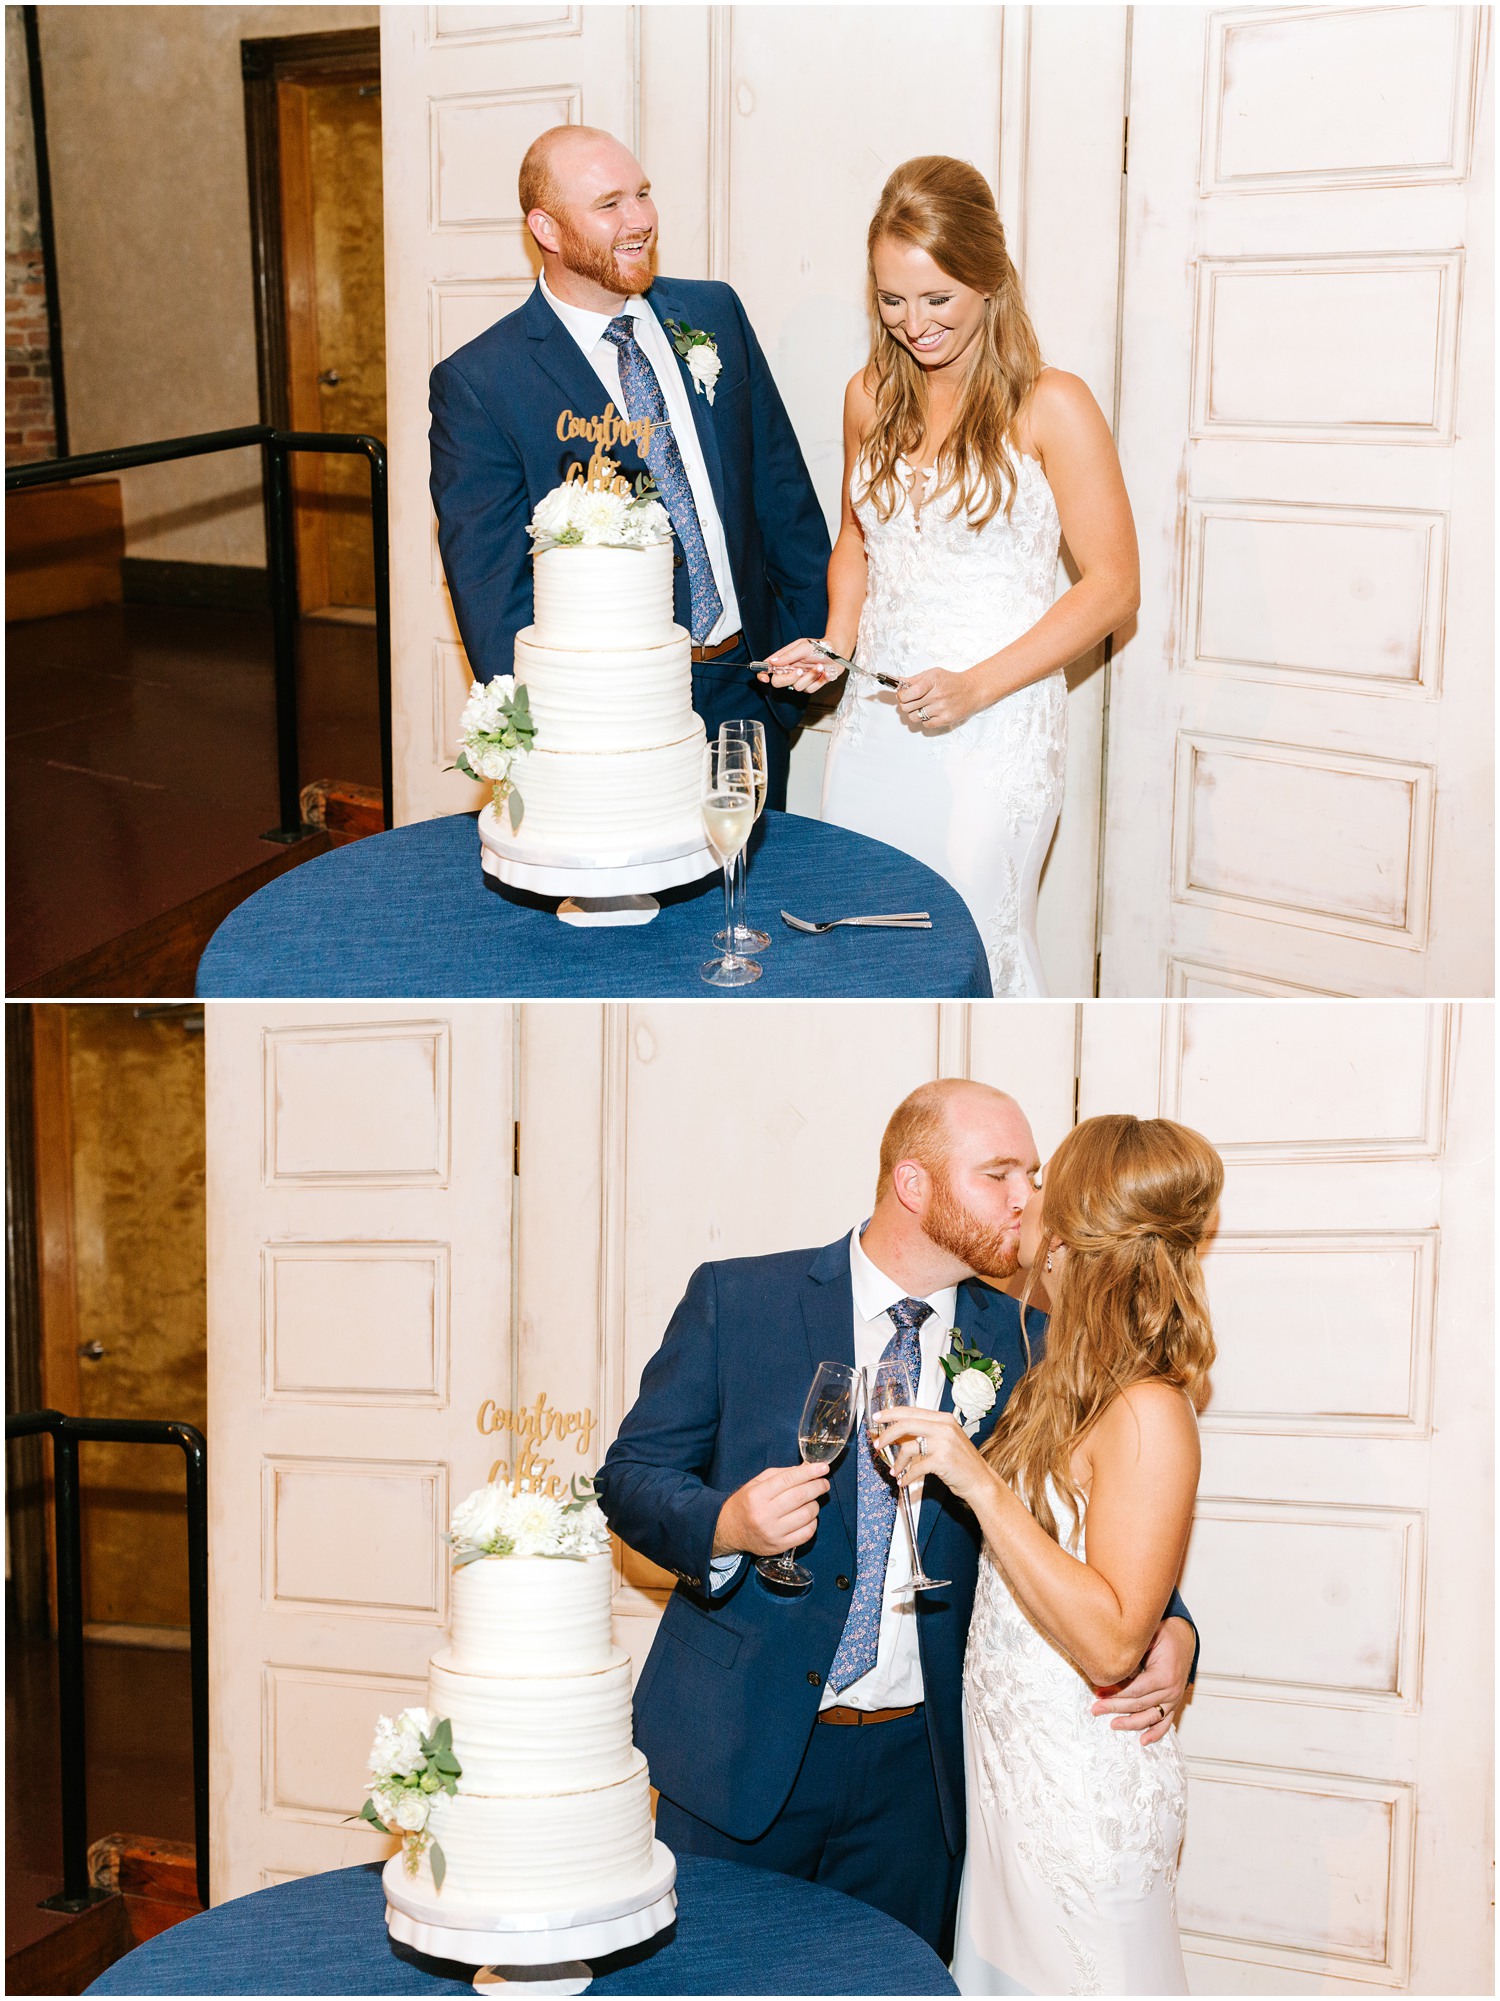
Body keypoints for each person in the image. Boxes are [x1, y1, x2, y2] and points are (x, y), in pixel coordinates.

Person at [594, 1079, 1197, 1956]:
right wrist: (725, 1522)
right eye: (1000, 1174)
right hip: (739, 1753)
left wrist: (1172, 1628)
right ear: (914, 1185)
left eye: (1032, 1173)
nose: (1029, 1199)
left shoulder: (1034, 1339)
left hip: (922, 1779)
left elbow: (1104, 1511)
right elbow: (630, 1475)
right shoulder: (741, 1299)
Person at [763, 156, 1140, 993]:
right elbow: (859, 542)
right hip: (876, 722)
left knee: (974, 938)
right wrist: (833, 644)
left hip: (997, 724)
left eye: (937, 299)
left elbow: (1114, 586)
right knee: (860, 935)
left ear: (989, 278)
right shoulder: (869, 395)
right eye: (892, 301)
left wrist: (976, 686)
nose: (914, 324)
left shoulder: (1055, 405)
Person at [876, 1112, 1221, 1993]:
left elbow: (1111, 1640)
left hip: (1078, 1793)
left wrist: (978, 1481)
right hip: (1006, 1788)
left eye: (1041, 1190)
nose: (1023, 1205)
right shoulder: (1053, 1365)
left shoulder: (1149, 1408)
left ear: (1073, 1240)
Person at [428, 124, 830, 811]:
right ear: (547, 229)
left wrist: (810, 642)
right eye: (609, 204)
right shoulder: (481, 384)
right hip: (615, 724)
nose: (640, 219)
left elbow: (781, 490)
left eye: (642, 193)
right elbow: (494, 599)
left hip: (749, 693)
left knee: (743, 900)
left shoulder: (714, 313)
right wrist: (564, 746)